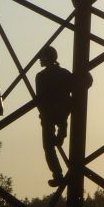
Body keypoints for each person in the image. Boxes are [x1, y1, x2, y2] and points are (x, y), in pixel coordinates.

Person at [35, 45, 91, 187]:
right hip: (63, 111)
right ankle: (62, 129)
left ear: (47, 58)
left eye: (41, 57)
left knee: (48, 147)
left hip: (48, 115)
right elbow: (81, 85)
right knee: (61, 120)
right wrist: (86, 74)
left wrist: (43, 114)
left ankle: (58, 175)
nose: (39, 60)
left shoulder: (41, 76)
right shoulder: (64, 73)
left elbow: (40, 100)